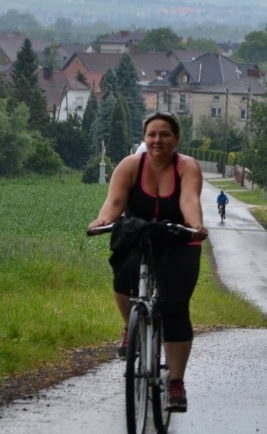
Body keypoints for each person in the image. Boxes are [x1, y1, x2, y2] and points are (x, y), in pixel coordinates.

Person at [88, 111, 209, 413]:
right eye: (152, 134)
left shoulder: (187, 167)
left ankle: (176, 383)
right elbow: (115, 202)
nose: (157, 140)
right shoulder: (130, 166)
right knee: (123, 277)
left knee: (174, 307)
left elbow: (189, 200)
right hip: (140, 234)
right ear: (144, 138)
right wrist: (102, 220)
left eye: (164, 134)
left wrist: (195, 225)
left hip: (179, 237)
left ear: (176, 139)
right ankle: (131, 328)